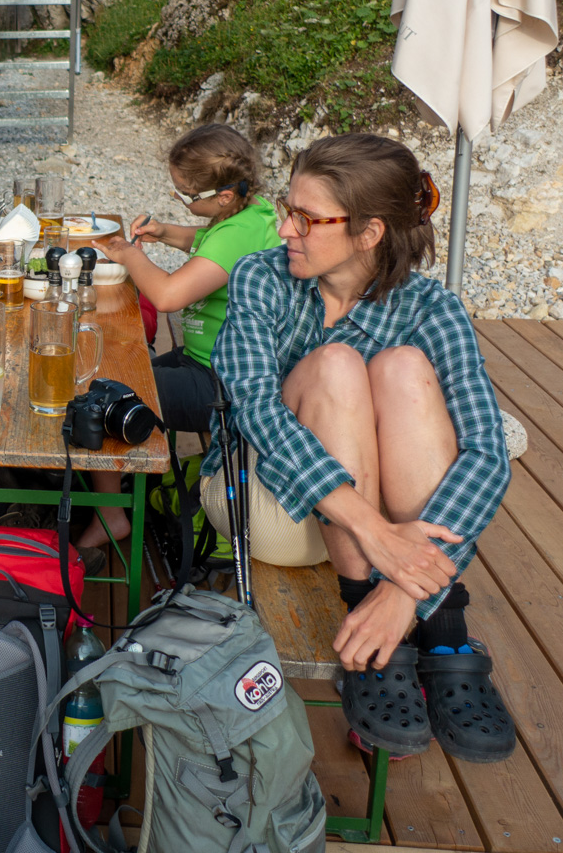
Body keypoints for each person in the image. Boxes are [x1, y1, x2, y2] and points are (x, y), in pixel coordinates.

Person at [214, 133, 515, 764]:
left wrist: (403, 589)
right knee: (337, 364)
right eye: (287, 209)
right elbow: (254, 409)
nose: (284, 229)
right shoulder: (262, 277)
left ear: (369, 232)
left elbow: (488, 451)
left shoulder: (431, 307)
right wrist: (375, 534)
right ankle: (383, 623)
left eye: (306, 217)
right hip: (271, 509)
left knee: (405, 367)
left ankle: (434, 625)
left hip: (393, 539)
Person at [80, 125, 284, 558]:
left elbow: (168, 297)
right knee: (117, 370)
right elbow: (211, 243)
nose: (181, 199)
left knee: (100, 397)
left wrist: (130, 254)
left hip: (225, 386)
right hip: (205, 360)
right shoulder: (250, 214)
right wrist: (166, 232)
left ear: (223, 196)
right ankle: (122, 481)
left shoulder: (239, 232)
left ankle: (111, 515)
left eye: (186, 195)